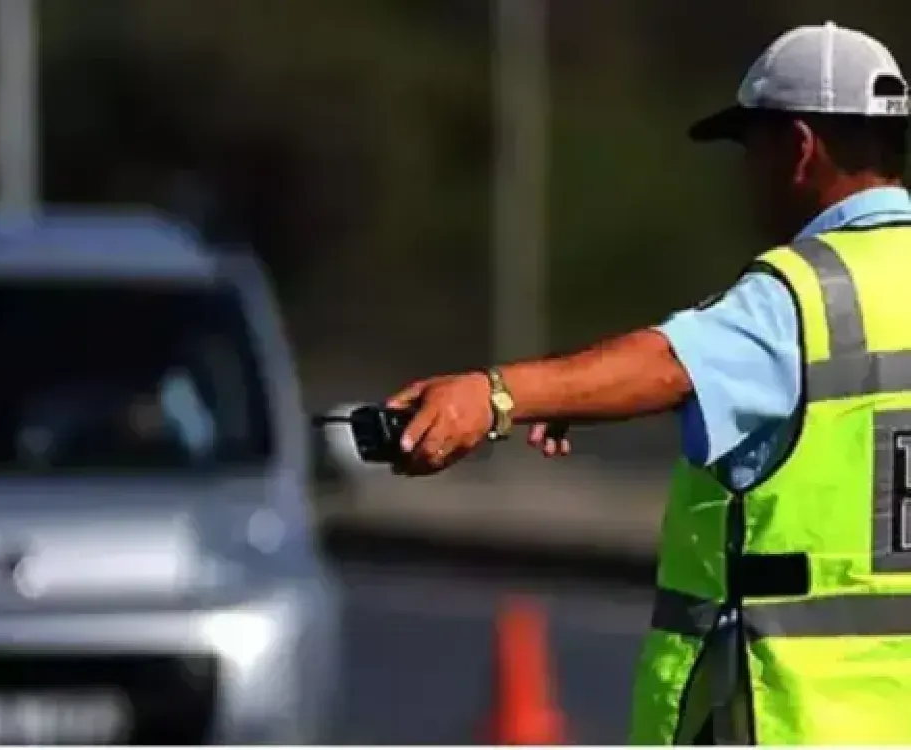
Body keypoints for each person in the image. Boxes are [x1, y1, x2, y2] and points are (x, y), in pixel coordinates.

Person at [387, 22, 911, 745]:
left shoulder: (804, 295)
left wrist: (494, 395)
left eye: (749, 148)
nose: (743, 174)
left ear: (797, 147)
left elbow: (666, 363)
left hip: (796, 719)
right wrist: (583, 397)